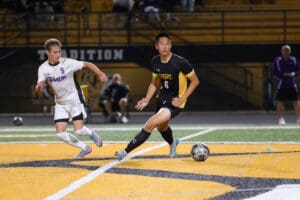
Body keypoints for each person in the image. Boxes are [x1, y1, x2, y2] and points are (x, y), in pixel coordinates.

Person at [115, 32, 200, 160]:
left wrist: (182, 98)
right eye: (161, 44)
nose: (164, 46)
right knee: (162, 127)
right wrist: (147, 99)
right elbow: (154, 83)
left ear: (170, 45)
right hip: (162, 99)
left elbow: (195, 81)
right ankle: (173, 143)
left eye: (167, 44)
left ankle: (125, 152)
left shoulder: (181, 62)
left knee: (151, 124)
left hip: (175, 102)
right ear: (156, 46)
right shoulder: (155, 61)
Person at [35, 38, 108, 158]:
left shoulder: (67, 63)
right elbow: (38, 90)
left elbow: (87, 64)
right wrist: (39, 87)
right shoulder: (43, 68)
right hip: (60, 103)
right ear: (47, 53)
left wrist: (100, 73)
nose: (58, 54)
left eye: (59, 51)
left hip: (74, 100)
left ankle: (92, 134)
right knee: (61, 134)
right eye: (55, 52)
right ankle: (85, 148)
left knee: (79, 130)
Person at [272, 44, 300, 125]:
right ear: (282, 51)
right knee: (280, 101)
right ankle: (281, 119)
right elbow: (275, 71)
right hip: (282, 83)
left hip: (292, 83)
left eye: (287, 51)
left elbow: (298, 69)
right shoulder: (278, 60)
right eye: (284, 51)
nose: (286, 52)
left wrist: (294, 74)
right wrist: (283, 74)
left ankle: (298, 118)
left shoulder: (294, 59)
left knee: (296, 101)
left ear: (290, 52)